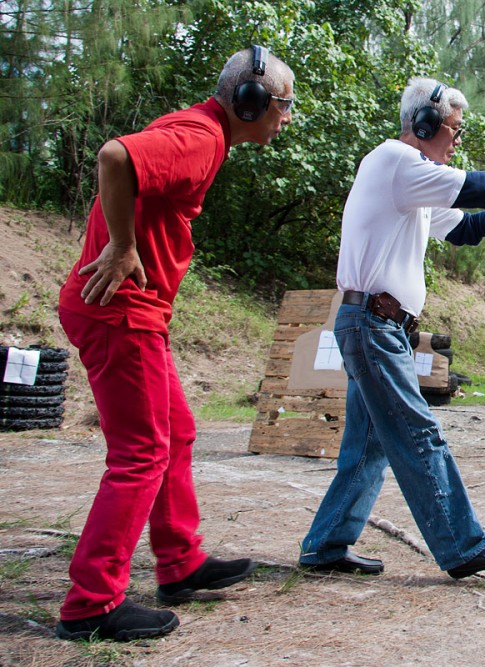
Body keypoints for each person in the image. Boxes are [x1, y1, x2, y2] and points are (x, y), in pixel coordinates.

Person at [55, 46, 295, 642]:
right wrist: (123, 246)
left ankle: (180, 563)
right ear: (252, 101)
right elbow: (115, 156)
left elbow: (132, 174)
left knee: (178, 431)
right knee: (139, 455)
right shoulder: (199, 137)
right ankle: (91, 604)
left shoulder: (204, 134)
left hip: (138, 315)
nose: (286, 117)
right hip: (120, 312)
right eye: (284, 105)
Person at [298, 77, 485, 579]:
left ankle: (326, 545)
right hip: (373, 324)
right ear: (424, 124)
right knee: (418, 432)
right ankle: (462, 546)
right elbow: (470, 185)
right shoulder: (395, 162)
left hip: (375, 325)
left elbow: (464, 228)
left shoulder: (411, 180)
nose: (457, 141)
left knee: (369, 447)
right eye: (454, 131)